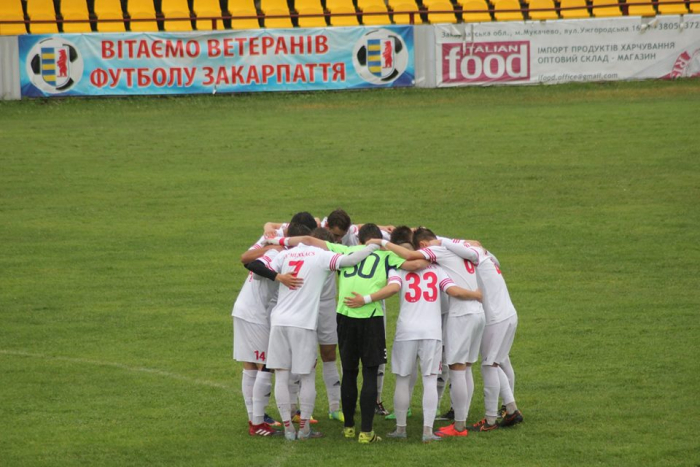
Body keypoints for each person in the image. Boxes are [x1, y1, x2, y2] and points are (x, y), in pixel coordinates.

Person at [270, 224, 427, 444]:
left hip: (344, 317)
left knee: (350, 373)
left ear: (359, 239)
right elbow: (419, 263)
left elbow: (312, 240)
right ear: (376, 240)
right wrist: (387, 245)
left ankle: (348, 427)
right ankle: (366, 432)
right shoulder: (386, 256)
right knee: (370, 373)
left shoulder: (345, 251)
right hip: (370, 317)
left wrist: (278, 241)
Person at [344, 247, 483, 443]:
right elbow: (452, 291)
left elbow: (392, 289)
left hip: (406, 331)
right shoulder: (436, 270)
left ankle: (401, 428)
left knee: (402, 379)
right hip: (432, 332)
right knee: (429, 379)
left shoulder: (397, 270)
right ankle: (427, 431)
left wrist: (365, 299)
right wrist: (475, 294)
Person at [260, 236, 380, 441]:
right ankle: (305, 428)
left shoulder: (285, 253)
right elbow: (350, 260)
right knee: (306, 376)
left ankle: (288, 428)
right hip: (303, 324)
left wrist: (278, 277)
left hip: (278, 321)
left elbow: (260, 266)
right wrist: (373, 246)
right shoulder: (319, 254)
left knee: (281, 374)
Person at [435, 238, 524, 431]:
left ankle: (491, 420)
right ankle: (511, 409)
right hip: (509, 315)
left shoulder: (474, 259)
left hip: (496, 319)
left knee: (489, 366)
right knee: (497, 363)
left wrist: (440, 240)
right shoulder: (488, 257)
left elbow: (467, 251)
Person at [232, 224, 306, 437]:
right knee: (266, 365)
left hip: (246, 309)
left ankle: (254, 418)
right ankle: (256, 423)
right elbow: (251, 264)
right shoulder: (276, 250)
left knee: (251, 365)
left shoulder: (275, 241)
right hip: (254, 314)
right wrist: (279, 276)